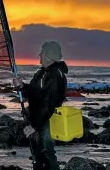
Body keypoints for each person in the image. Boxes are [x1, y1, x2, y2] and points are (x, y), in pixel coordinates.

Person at [13, 41, 68, 170]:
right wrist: (22, 87)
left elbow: (49, 105)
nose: (39, 54)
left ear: (49, 55)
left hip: (46, 121)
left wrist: (34, 127)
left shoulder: (55, 76)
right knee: (37, 155)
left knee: (46, 154)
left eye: (42, 52)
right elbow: (34, 92)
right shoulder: (42, 73)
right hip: (37, 118)